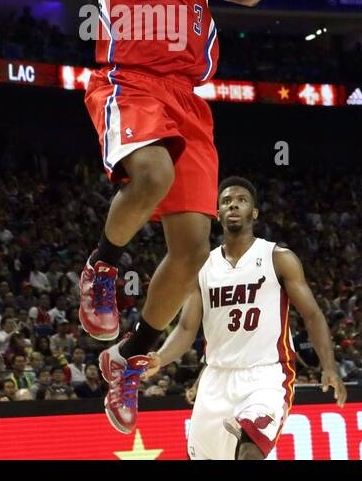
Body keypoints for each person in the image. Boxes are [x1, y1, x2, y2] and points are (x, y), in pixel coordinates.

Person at [47, 0, 297, 434]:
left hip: (191, 100)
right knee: (149, 174)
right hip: (130, 83)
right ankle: (102, 267)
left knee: (191, 251)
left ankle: (128, 358)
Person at [148, 177, 346, 459]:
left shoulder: (278, 257)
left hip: (265, 375)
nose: (233, 206)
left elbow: (313, 316)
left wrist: (329, 366)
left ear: (254, 212)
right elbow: (186, 327)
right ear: (217, 214)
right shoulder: (203, 266)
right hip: (216, 379)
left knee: (250, 451)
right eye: (226, 202)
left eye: (241, 200)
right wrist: (160, 357)